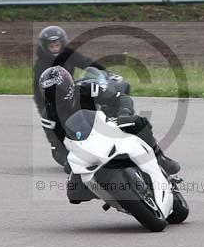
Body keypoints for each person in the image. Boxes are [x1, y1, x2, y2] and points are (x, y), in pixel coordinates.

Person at [38, 66, 180, 204]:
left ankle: (160, 158)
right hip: (85, 148)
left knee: (139, 122)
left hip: (111, 127)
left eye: (56, 91)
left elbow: (121, 98)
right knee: (74, 194)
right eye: (48, 93)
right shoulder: (49, 117)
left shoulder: (88, 90)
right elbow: (57, 148)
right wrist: (67, 161)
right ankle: (114, 194)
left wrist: (124, 113)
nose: (52, 96)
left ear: (67, 86)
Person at [33, 26, 105, 115]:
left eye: (57, 45)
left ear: (62, 44)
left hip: (71, 90)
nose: (55, 48)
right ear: (45, 47)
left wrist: (104, 72)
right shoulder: (41, 64)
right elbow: (38, 91)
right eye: (51, 46)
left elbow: (85, 62)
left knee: (90, 91)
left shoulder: (68, 54)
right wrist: (43, 109)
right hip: (55, 100)